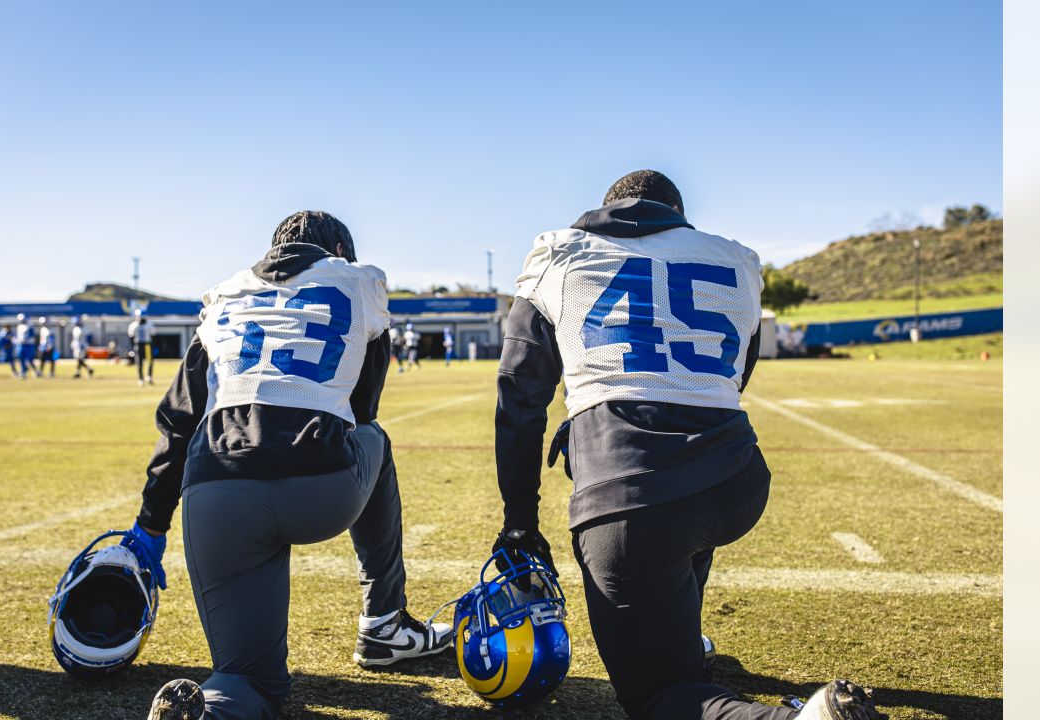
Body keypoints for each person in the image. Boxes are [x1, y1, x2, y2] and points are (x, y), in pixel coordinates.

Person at [490, 170, 884, 720]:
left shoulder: (560, 253)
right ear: (676, 213)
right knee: (678, 517)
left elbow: (519, 397)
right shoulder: (733, 258)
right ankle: (676, 634)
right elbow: (731, 379)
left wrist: (519, 521)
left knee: (657, 698)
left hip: (633, 493)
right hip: (736, 480)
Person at [139, 211, 452, 720]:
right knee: (376, 439)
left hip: (216, 488)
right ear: (339, 253)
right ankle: (384, 624)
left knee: (247, 679)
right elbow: (363, 408)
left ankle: (212, 709)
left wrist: (150, 525)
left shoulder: (224, 297)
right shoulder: (358, 282)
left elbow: (178, 423)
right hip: (321, 485)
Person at [128, 310, 155, 386]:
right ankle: (141, 378)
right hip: (138, 344)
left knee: (150, 361)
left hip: (147, 344)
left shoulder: (149, 325)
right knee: (139, 362)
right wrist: (132, 348)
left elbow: (153, 335)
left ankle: (149, 376)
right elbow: (131, 337)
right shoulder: (133, 325)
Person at [15, 313, 40, 378]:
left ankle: (36, 371)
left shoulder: (30, 326)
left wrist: (26, 339)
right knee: (21, 358)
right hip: (21, 345)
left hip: (29, 345)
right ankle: (23, 372)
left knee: (30, 359)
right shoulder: (19, 327)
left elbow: (31, 335)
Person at [71, 315, 95, 379]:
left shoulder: (82, 329)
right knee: (79, 360)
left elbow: (84, 339)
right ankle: (82, 371)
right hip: (77, 346)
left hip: (81, 347)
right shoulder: (76, 329)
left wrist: (84, 346)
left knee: (79, 359)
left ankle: (85, 370)